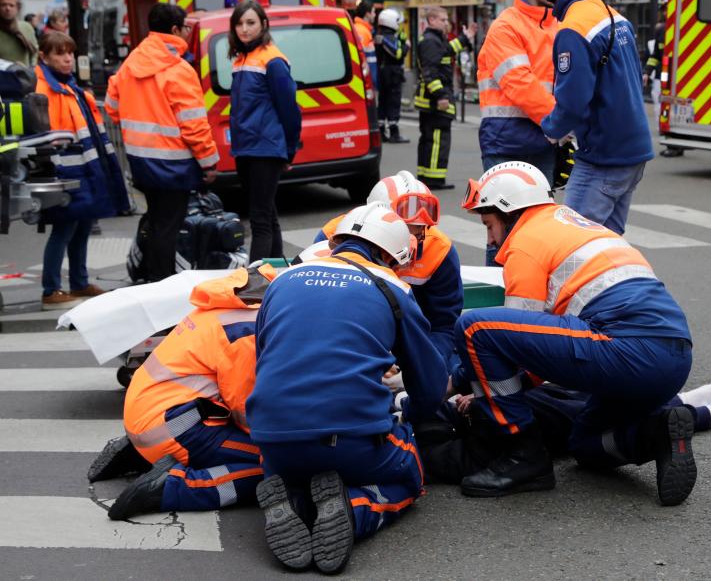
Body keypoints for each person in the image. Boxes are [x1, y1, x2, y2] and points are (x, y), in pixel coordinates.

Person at [455, 161, 695, 503]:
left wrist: (458, 382)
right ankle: (658, 433)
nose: (491, 239)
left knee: (475, 326)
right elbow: (538, 356)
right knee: (585, 445)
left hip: (625, 350)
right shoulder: (576, 226)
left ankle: (525, 456)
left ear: (508, 211)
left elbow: (507, 345)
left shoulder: (526, 241)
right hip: (673, 360)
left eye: (489, 224)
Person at [248, 202, 448, 574]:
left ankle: (295, 501)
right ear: (390, 253)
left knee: (299, 465)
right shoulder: (393, 289)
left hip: (272, 442)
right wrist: (410, 416)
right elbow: (432, 386)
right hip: (350, 443)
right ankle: (356, 511)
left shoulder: (284, 280)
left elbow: (263, 361)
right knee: (411, 478)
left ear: (337, 239)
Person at [99, 266, 274, 520]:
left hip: (150, 417)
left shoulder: (218, 310)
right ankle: (171, 488)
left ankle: (145, 455)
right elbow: (245, 411)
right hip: (175, 427)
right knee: (275, 464)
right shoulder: (246, 330)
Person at [421, 374, 711, 485]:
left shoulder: (404, 428)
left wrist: (466, 400)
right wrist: (476, 408)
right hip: (524, 428)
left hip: (524, 413)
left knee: (576, 403)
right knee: (592, 417)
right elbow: (465, 457)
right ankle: (709, 410)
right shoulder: (419, 449)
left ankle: (695, 402)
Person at [532, 0, 653, 235]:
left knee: (572, 245)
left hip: (602, 157)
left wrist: (551, 129)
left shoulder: (573, 28)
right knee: (608, 246)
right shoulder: (614, 16)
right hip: (632, 152)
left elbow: (573, 101)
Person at [105, 3, 219, 283]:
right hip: (174, 164)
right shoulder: (179, 70)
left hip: (139, 160)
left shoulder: (131, 63)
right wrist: (209, 162)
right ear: (174, 30)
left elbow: (111, 106)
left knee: (155, 221)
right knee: (168, 226)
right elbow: (194, 125)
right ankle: (161, 283)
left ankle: (147, 275)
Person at [311, 170, 463, 373]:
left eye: (418, 231)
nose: (409, 243)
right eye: (403, 231)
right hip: (348, 345)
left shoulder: (439, 251)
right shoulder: (332, 236)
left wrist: (420, 366)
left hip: (412, 347)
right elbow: (319, 317)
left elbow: (443, 327)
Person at [35, 31, 129, 309]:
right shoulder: (46, 90)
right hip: (67, 171)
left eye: (69, 53)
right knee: (65, 228)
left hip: (83, 170)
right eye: (59, 54)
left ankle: (78, 281)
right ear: (45, 57)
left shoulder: (69, 87)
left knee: (82, 226)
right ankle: (50, 288)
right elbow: (48, 136)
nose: (67, 59)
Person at [228, 0, 301, 263]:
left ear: (264, 25)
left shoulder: (273, 60)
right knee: (267, 213)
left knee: (259, 219)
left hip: (265, 148)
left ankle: (254, 282)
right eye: (239, 23)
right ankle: (277, 266)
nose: (244, 29)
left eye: (250, 22)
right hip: (247, 147)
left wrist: (289, 151)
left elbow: (290, 109)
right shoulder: (242, 58)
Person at [477, 0, 558, 180]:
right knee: (509, 215)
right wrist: (561, 122)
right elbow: (521, 85)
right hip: (507, 143)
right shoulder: (505, 26)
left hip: (541, 141)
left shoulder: (557, 24)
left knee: (540, 215)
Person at [414, 6, 477, 190]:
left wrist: (466, 38)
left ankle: (426, 177)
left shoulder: (435, 40)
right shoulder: (430, 42)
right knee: (436, 141)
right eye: (443, 20)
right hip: (435, 102)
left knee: (430, 140)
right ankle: (433, 179)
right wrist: (441, 96)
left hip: (432, 100)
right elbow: (430, 72)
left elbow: (448, 50)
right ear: (432, 20)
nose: (446, 23)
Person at [646, 0, 680, 158]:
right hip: (662, 75)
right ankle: (669, 140)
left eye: (668, 8)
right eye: (664, 9)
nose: (666, 11)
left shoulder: (680, 27)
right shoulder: (661, 30)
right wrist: (647, 71)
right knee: (661, 108)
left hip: (677, 76)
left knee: (673, 109)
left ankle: (674, 142)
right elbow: (655, 55)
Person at [374, 7, 409, 144]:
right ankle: (394, 132)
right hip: (391, 74)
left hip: (383, 73)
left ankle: (382, 130)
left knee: (383, 102)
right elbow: (398, 54)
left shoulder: (380, 35)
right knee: (393, 102)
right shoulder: (386, 38)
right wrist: (406, 45)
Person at [0, 0, 38, 67]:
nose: (7, 8)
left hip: (24, 76)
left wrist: (32, 68)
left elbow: (35, 52)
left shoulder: (26, 27)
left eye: (11, 5)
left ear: (17, 8)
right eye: (3, 5)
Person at [353, 0, 378, 96]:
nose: (375, 15)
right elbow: (362, 59)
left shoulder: (363, 30)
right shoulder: (362, 31)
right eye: (373, 12)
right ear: (367, 14)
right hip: (365, 82)